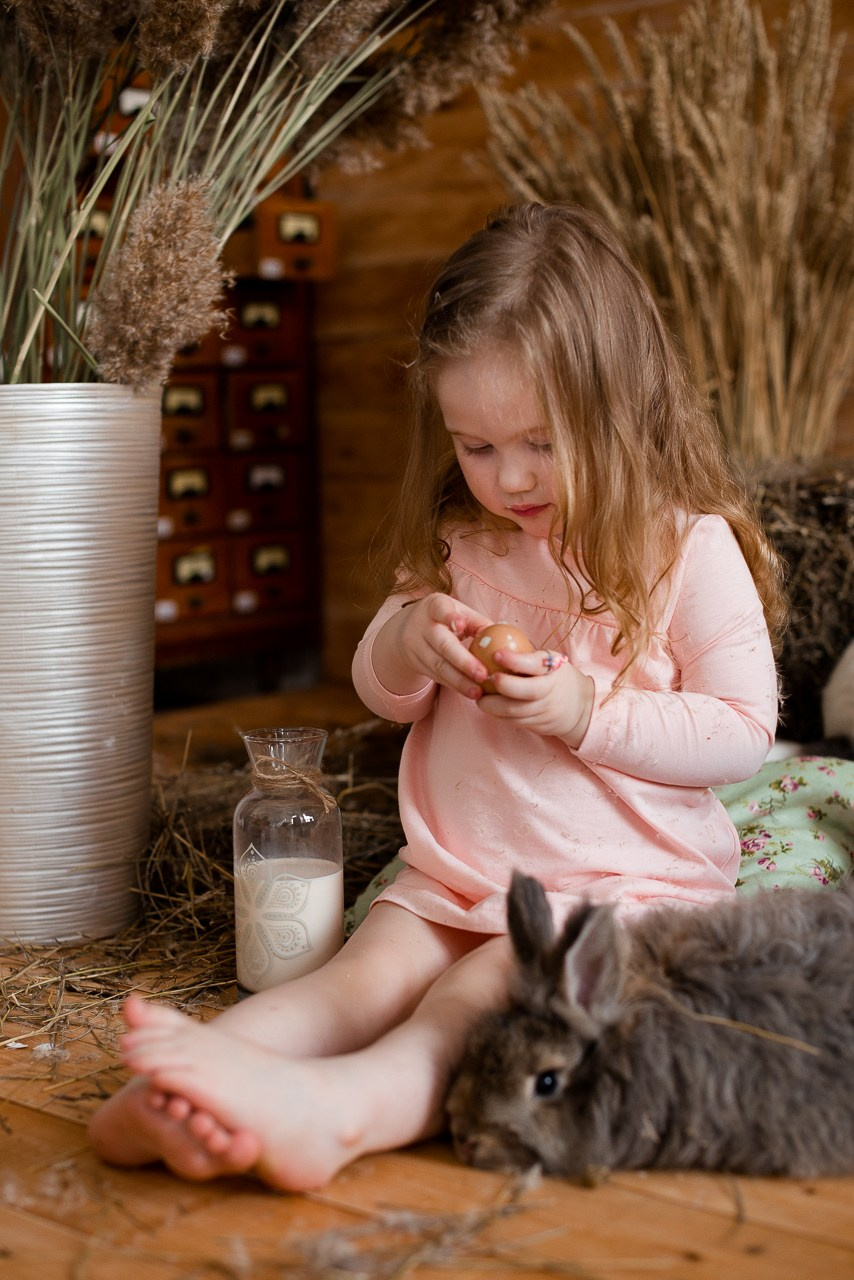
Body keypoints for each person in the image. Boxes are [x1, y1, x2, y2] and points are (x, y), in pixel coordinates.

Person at [88, 202, 784, 1191]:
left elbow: (741, 731)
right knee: (356, 980)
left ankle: (335, 1115)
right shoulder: (465, 544)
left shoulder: (685, 550)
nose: (509, 477)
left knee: (465, 1001)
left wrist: (588, 711)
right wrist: (407, 639)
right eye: (476, 446)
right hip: (455, 872)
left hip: (609, 891)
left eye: (539, 441)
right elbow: (386, 694)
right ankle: (187, 1085)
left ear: (620, 404)